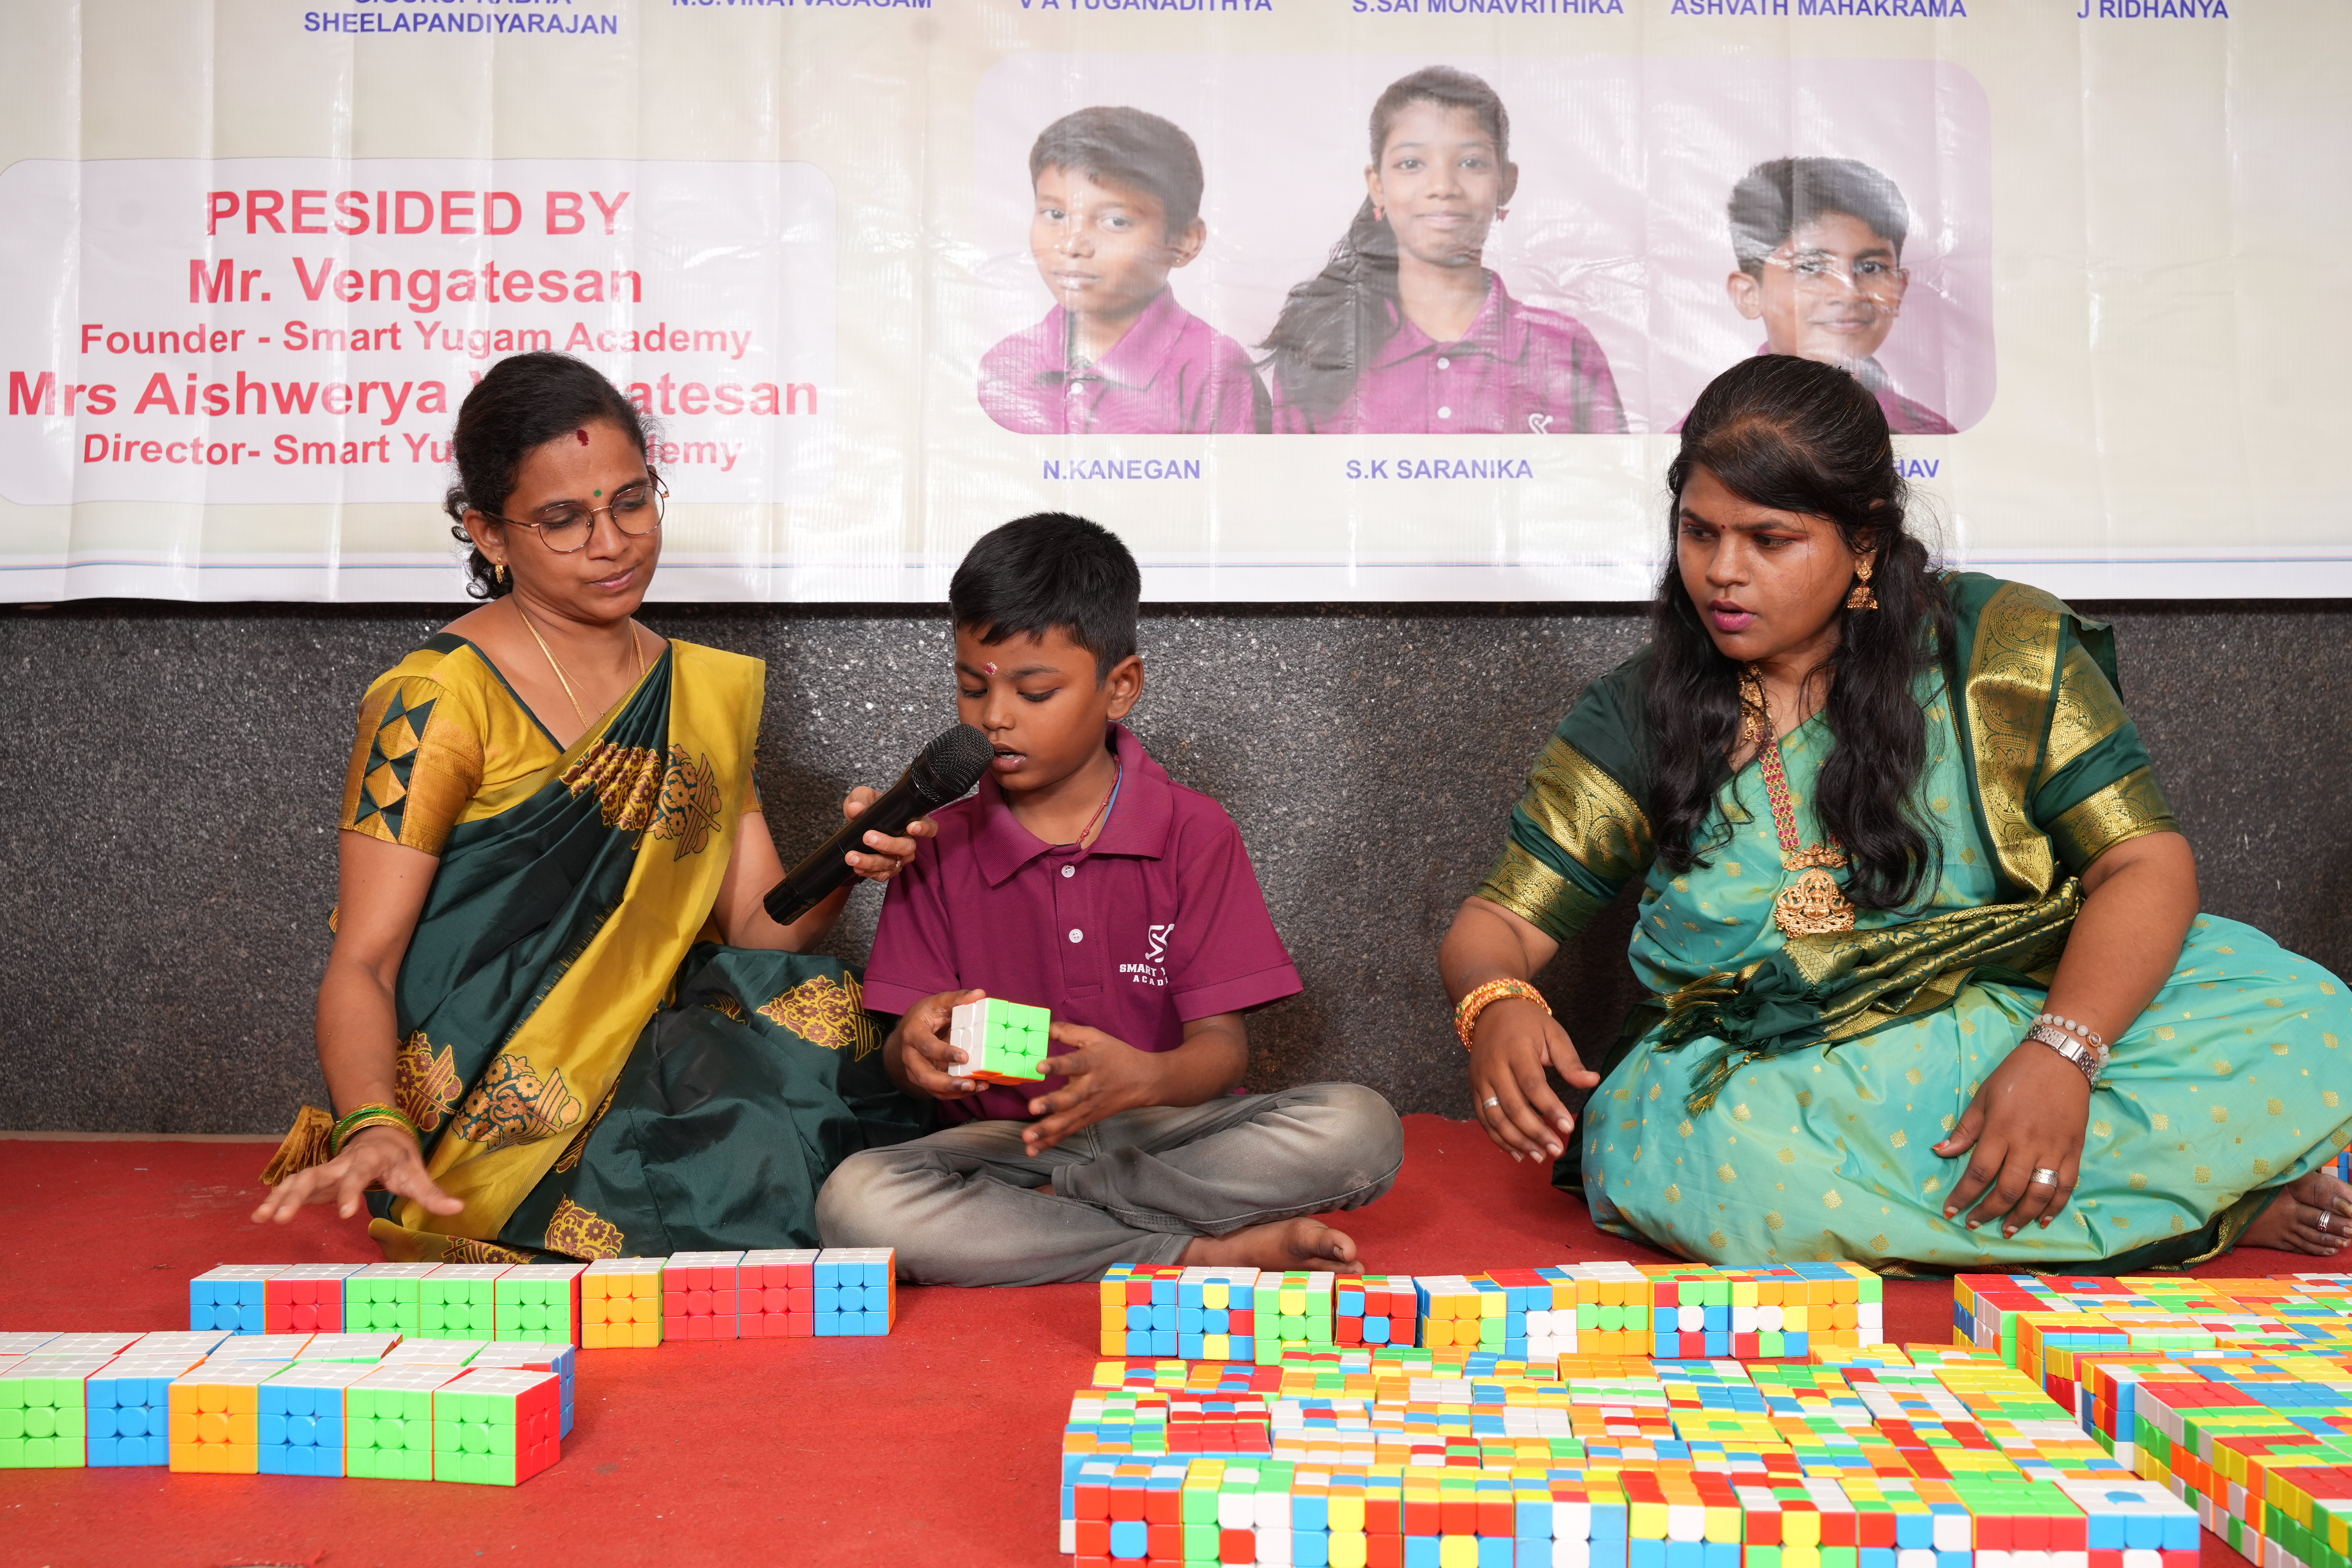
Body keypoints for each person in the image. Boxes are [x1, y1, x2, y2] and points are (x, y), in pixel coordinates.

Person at [1441, 353, 2352, 1270]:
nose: (1722, 572)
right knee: (1727, 1158)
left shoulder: (1999, 653)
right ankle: (2206, 1210)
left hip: (2011, 1016)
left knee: (2309, 1015)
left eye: (1769, 540)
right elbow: (1498, 924)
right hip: (1777, 1073)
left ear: (1866, 539)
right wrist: (1496, 999)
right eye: (1698, 532)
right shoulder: (1641, 711)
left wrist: (2061, 1055)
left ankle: (2088, 1179)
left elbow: (2143, 865)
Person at [252, 352, 933, 1262]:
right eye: (564, 520)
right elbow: (365, 963)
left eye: (632, 502)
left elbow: (759, 932)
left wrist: (851, 858)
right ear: (490, 534)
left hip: (657, 1041)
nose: (612, 543)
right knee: (759, 1164)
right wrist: (373, 1123)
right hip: (498, 1092)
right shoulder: (436, 700)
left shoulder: (692, 691)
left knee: (850, 1050)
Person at [816, 513, 1405, 1284]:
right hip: (1007, 1148)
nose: (995, 717)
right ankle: (1196, 1249)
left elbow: (1222, 1050)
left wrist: (1147, 1078)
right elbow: (905, 1049)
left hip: (1169, 1134)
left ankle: (1062, 1221)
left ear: (1119, 686)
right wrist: (914, 1053)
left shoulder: (1194, 830)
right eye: (972, 687)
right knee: (855, 1201)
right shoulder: (934, 841)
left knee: (1362, 1127)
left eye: (1035, 691)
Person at [1262, 65, 1625, 437]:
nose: (1442, 186)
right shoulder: (1320, 348)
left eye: (1471, 163)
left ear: (1506, 182)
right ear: (1378, 186)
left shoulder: (1566, 350)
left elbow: (1614, 474)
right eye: (1411, 164)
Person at [979, 106, 1266, 435]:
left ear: (1184, 241)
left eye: (1116, 221)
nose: (1072, 245)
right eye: (1056, 215)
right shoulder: (1006, 363)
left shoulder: (1216, 372)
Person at [1682, 157, 1957, 436]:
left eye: (1871, 267)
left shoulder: (1939, 438)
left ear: (1899, 289)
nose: (1848, 293)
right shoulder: (1699, 442)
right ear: (1749, 294)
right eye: (1810, 267)